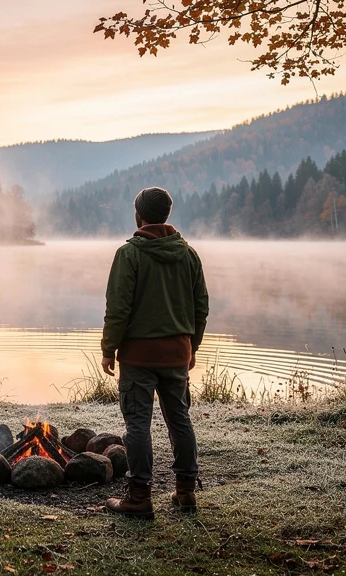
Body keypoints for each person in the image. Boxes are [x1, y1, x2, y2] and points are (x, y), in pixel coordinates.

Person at [100, 186, 209, 521]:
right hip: (177, 353)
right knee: (180, 420)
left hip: (139, 356)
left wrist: (109, 349)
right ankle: (186, 492)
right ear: (166, 216)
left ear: (139, 215)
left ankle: (139, 497)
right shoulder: (188, 254)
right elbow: (200, 308)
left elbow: (118, 308)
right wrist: (192, 346)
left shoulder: (129, 254)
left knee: (138, 424)